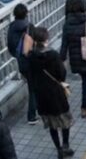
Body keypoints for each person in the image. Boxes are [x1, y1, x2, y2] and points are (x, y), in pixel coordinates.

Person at [27, 27, 74, 158]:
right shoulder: (53, 55)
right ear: (46, 39)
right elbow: (62, 73)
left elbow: (30, 77)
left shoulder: (31, 57)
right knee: (65, 120)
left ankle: (59, 148)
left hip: (41, 96)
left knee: (52, 124)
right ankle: (66, 145)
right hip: (56, 93)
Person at [59, 0, 86, 118]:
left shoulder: (67, 23)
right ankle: (84, 108)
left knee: (84, 78)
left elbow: (64, 43)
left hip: (75, 57)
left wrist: (62, 58)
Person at [5, 4, 37, 124]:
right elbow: (35, 45)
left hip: (21, 63)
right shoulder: (29, 26)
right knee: (33, 89)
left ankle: (35, 109)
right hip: (31, 62)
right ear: (26, 14)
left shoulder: (11, 27)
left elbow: (10, 47)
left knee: (31, 86)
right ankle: (31, 116)